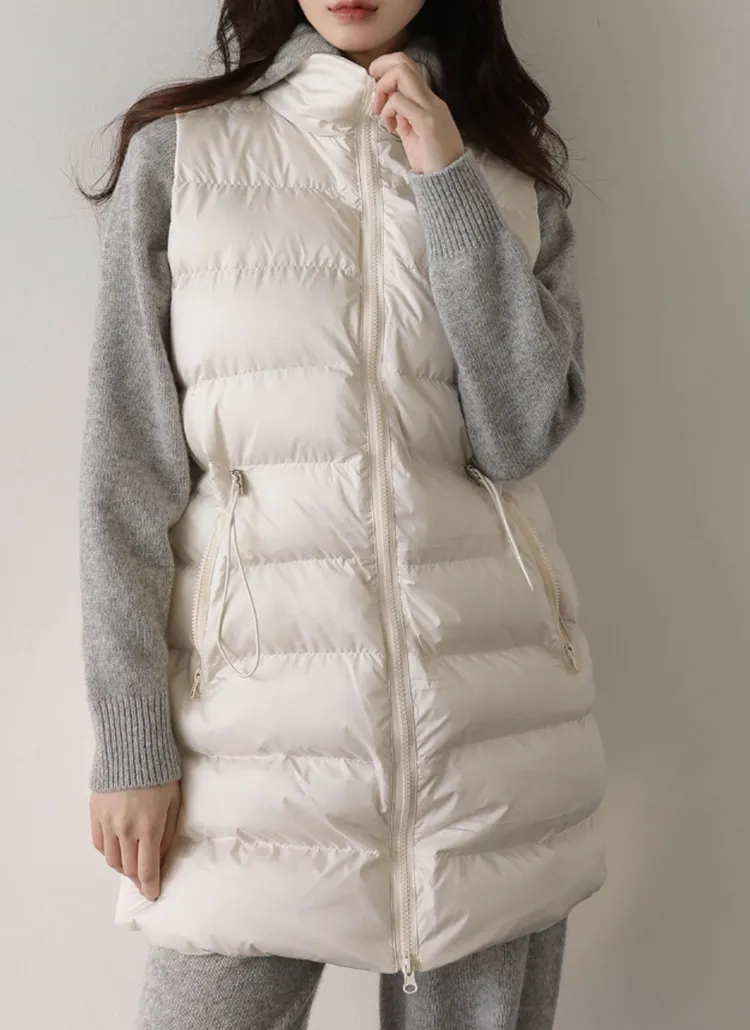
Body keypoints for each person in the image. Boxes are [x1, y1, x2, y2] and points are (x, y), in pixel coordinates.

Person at [79, 1, 607, 1027]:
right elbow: (125, 472)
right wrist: (130, 740)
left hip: (488, 744)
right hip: (251, 748)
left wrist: (446, 176)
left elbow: (521, 431)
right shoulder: (183, 155)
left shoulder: (510, 174)